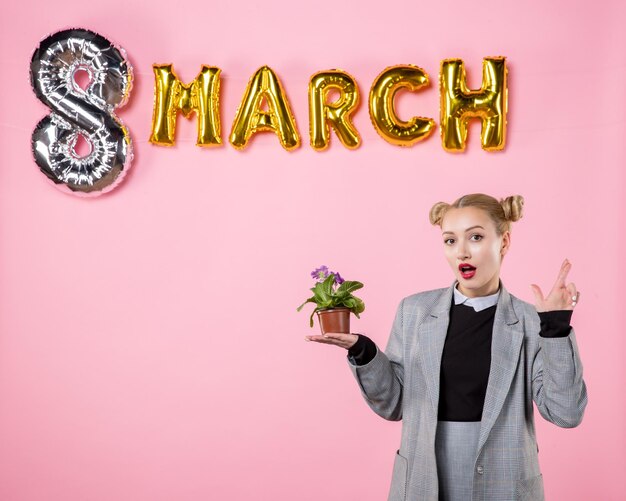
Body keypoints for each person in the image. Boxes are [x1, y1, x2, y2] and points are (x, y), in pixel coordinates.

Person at [304, 193, 587, 501]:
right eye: (450, 241)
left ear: (504, 242)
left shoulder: (533, 322)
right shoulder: (413, 311)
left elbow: (566, 413)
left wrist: (556, 328)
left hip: (506, 483)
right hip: (425, 478)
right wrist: (364, 351)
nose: (462, 252)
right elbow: (394, 404)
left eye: (476, 237)